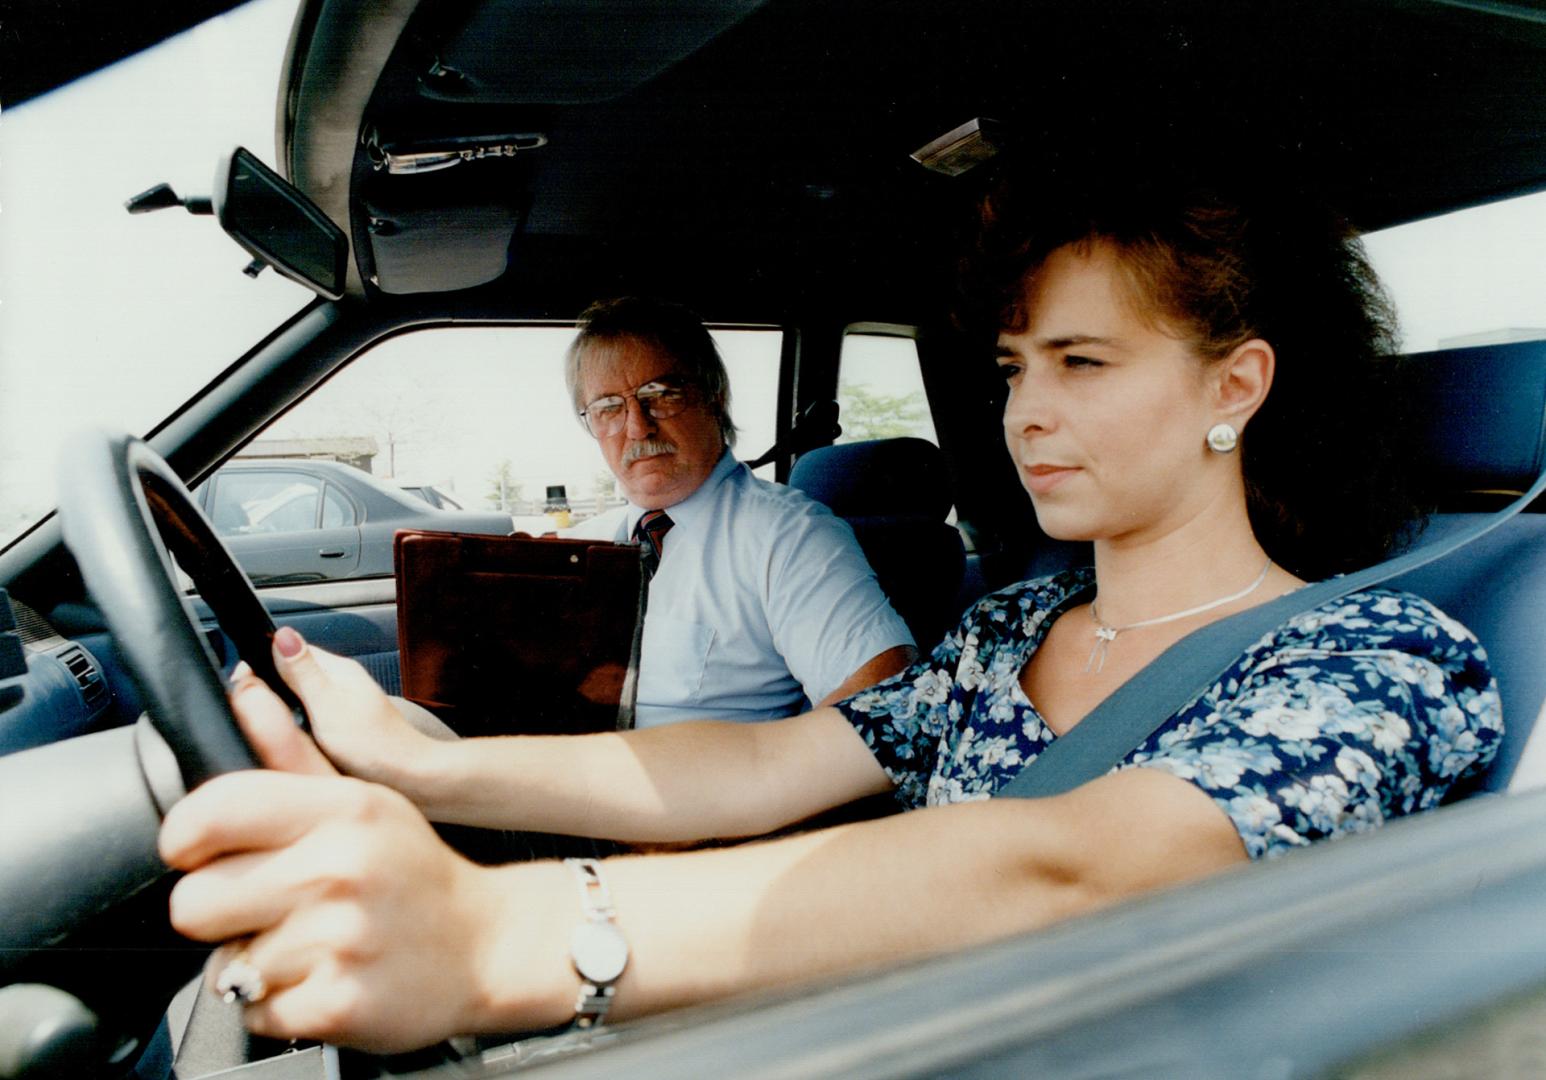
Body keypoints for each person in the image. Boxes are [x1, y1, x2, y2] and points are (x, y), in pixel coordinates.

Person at [159, 169, 1501, 1053]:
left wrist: (500, 936)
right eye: (1012, 368)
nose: (1025, 411)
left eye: (1082, 363)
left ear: (1233, 387)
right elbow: (754, 762)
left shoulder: (1373, 661)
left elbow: (1076, 865)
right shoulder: (1006, 633)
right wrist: (428, 764)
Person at [559, 296, 915, 726]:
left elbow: (883, 699)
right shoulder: (578, 546)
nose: (637, 427)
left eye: (662, 395)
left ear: (714, 397)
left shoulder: (787, 535)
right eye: (609, 408)